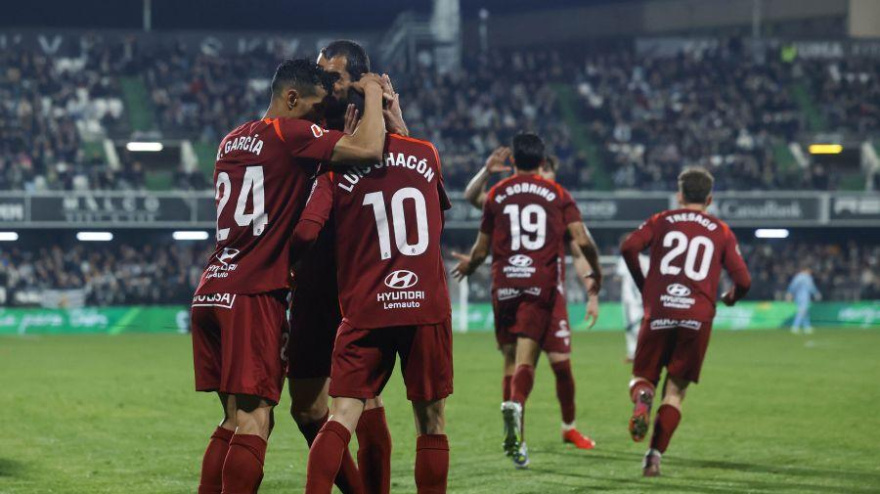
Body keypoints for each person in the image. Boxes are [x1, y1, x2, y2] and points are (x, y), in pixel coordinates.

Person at [190, 58, 387, 494]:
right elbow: (372, 151)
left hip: (212, 288)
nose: (320, 120)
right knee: (256, 421)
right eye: (316, 110)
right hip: (253, 293)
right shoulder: (291, 134)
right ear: (292, 98)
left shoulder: (231, 139)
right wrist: (373, 93)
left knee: (231, 418)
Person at [294, 128, 453, 493]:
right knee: (430, 421)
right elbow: (435, 208)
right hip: (423, 305)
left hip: (367, 306)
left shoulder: (335, 166)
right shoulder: (426, 152)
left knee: (341, 416)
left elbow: (305, 232)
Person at [286, 40, 406, 494]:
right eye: (320, 74)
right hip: (310, 282)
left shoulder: (379, 125)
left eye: (333, 76)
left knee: (363, 400)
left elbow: (412, 189)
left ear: (358, 79)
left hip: (359, 281)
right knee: (305, 408)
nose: (323, 83)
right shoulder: (305, 124)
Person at [452, 133, 602, 469]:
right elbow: (583, 244)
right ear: (541, 163)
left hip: (507, 285)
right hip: (541, 289)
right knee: (527, 361)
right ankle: (517, 418)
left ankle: (558, 429)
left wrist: (472, 263)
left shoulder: (500, 195)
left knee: (542, 363)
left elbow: (481, 245)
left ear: (515, 161)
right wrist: (596, 279)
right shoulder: (557, 197)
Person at [620, 167, 751, 477]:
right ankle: (653, 457)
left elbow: (628, 247)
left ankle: (642, 398)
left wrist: (645, 285)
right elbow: (743, 279)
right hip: (697, 317)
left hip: (660, 310)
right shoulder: (721, 230)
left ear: (679, 195)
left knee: (643, 377)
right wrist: (731, 297)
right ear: (709, 198)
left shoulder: (662, 220)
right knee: (675, 392)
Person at [616, 251, 649, 363]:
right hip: (644, 297)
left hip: (630, 298)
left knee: (631, 327)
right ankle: (634, 353)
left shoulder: (624, 259)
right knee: (641, 325)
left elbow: (619, 277)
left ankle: (637, 353)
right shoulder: (646, 260)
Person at [787, 268, 821, 334]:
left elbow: (793, 286)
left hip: (798, 297)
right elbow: (811, 287)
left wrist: (790, 293)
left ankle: (807, 327)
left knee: (805, 312)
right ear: (806, 270)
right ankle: (795, 327)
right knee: (802, 312)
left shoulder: (797, 277)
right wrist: (816, 293)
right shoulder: (807, 277)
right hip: (804, 297)